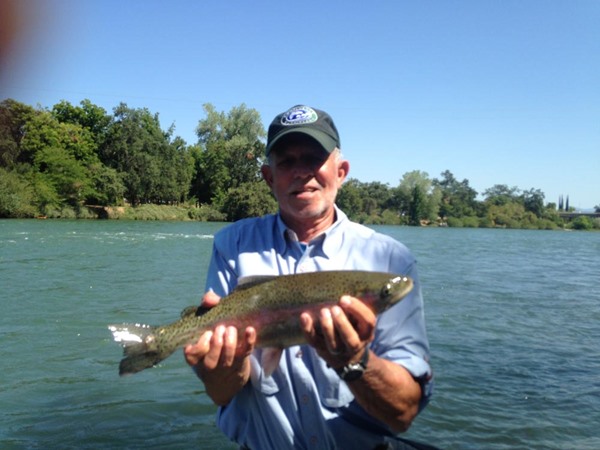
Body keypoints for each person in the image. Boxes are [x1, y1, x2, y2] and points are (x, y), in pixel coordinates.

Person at [184, 105, 434, 450]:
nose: (301, 173)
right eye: (286, 162)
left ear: (341, 171)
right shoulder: (232, 245)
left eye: (314, 158)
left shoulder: (391, 260)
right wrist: (223, 363)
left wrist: (355, 360)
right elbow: (221, 392)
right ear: (269, 178)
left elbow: (402, 414)